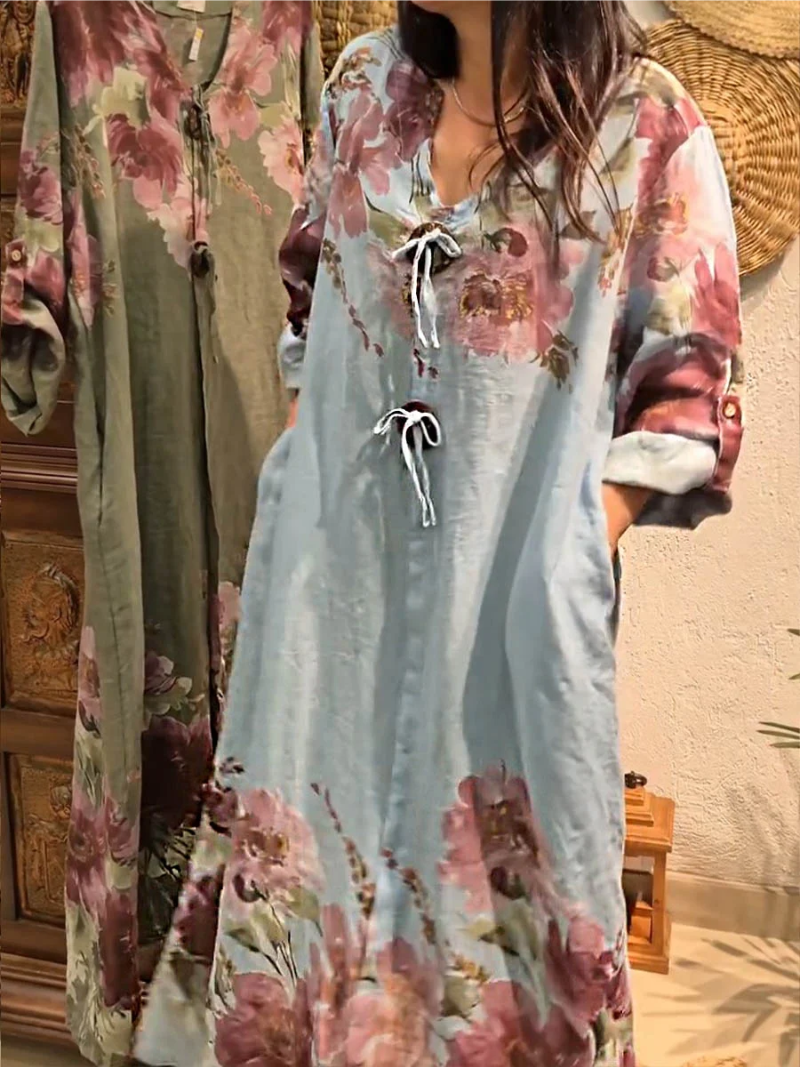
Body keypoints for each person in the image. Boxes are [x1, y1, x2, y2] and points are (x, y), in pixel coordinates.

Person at [134, 3, 743, 1064]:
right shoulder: (365, 88)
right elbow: (308, 302)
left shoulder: (643, 127)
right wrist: (301, 466)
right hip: (333, 593)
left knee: (499, 925)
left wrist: (566, 555)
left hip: (506, 614)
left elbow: (685, 390)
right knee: (311, 889)